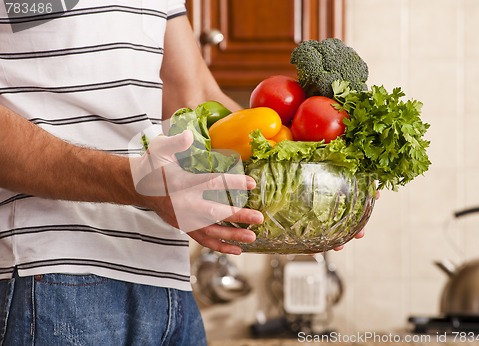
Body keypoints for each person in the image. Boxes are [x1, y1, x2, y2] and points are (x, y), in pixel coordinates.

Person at [0, 1, 365, 345]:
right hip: (48, 274)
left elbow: (192, 96)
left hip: (166, 283)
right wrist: (138, 184)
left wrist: (315, 182)